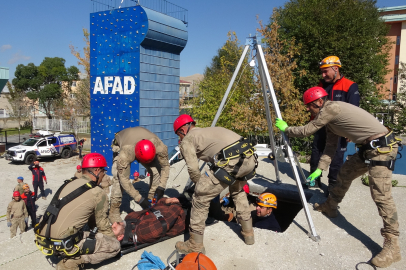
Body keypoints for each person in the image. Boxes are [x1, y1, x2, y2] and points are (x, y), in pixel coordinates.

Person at [275, 87, 401, 268]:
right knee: (344, 174)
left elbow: (306, 130)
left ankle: (392, 245)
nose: (308, 110)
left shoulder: (331, 108)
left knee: (381, 195)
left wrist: (287, 129)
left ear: (319, 102)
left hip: (382, 149)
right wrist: (320, 169)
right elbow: (330, 148)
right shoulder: (331, 121)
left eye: (309, 106)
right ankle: (330, 206)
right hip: (368, 149)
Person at [173, 114, 258, 254]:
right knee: (237, 190)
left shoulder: (188, 139)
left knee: (200, 198)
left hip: (231, 162)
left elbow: (193, 169)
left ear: (183, 129)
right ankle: (248, 233)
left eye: (179, 135)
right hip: (250, 159)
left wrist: (200, 188)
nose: (180, 139)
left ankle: (194, 246)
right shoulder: (208, 131)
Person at [34, 153, 120, 270]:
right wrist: (112, 239)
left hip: (44, 239)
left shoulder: (69, 182)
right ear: (97, 170)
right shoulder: (98, 193)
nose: (103, 175)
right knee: (115, 246)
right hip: (63, 243)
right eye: (103, 172)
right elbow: (103, 226)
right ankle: (73, 262)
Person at [309, 56, 360, 191]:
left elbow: (354, 110)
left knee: (336, 157)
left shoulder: (349, 85)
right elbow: (314, 106)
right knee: (316, 152)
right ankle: (313, 180)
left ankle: (332, 186)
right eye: (322, 72)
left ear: (335, 69)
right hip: (322, 126)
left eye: (325, 71)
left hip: (339, 128)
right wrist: (311, 123)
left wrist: (350, 131)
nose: (323, 75)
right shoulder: (321, 85)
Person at [109, 127, 170, 223]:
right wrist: (139, 199)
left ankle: (152, 199)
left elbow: (165, 166)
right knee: (118, 178)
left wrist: (161, 187)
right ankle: (114, 211)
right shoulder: (126, 154)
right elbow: (124, 179)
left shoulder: (159, 147)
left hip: (145, 144)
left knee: (155, 171)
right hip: (122, 141)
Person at [112, 197, 185, 246]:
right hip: (181, 217)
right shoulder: (142, 233)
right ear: (120, 237)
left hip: (171, 206)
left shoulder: (129, 217)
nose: (114, 223)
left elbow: (152, 208)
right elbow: (166, 223)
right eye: (114, 228)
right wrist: (176, 204)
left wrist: (164, 201)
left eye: (111, 226)